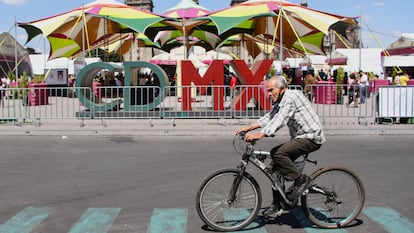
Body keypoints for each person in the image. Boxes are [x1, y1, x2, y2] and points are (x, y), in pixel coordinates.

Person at [235, 76, 326, 216]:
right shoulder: (281, 100)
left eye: (271, 90)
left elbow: (280, 119)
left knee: (278, 153)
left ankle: (301, 180)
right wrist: (249, 128)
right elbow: (270, 116)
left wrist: (260, 135)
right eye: (268, 91)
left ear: (282, 88)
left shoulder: (290, 97)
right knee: (275, 169)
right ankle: (277, 205)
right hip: (300, 137)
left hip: (311, 137)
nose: (269, 94)